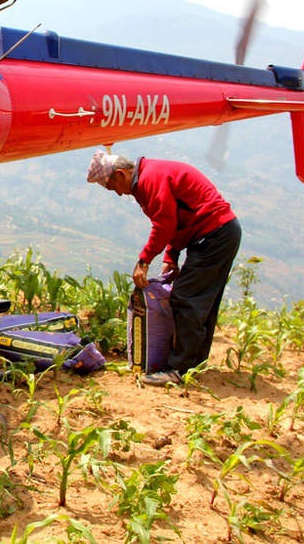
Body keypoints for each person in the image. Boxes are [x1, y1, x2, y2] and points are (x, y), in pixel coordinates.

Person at [87, 149, 242, 386]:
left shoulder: (151, 179)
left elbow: (165, 223)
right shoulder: (149, 176)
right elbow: (174, 216)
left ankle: (179, 369)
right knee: (202, 302)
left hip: (213, 235)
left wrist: (144, 261)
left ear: (120, 174)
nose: (118, 193)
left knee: (186, 298)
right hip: (218, 233)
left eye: (113, 187)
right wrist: (171, 254)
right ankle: (194, 364)